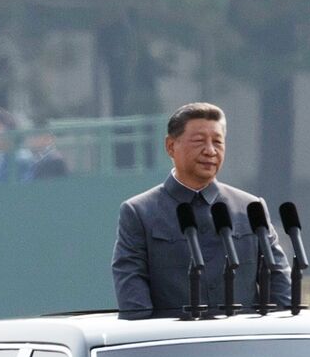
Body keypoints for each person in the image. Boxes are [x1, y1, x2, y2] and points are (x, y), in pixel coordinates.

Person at [112, 102, 290, 318]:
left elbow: (279, 284)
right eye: (199, 141)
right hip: (172, 338)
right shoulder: (139, 212)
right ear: (170, 146)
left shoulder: (251, 209)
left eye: (218, 142)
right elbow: (133, 296)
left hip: (242, 337)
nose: (210, 151)